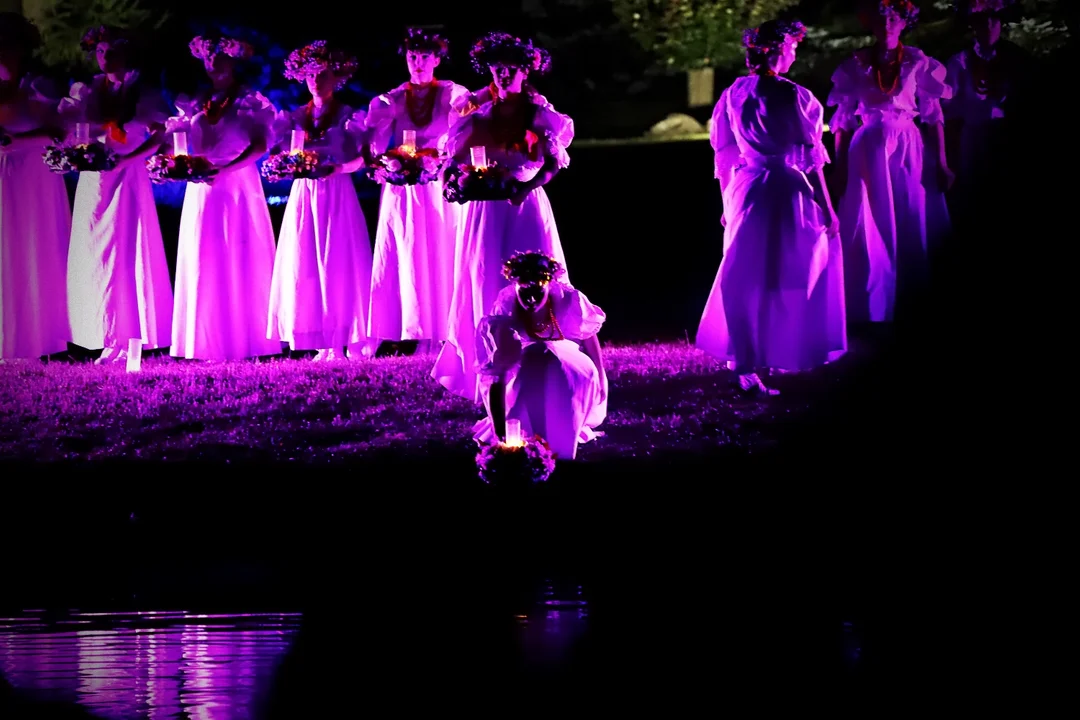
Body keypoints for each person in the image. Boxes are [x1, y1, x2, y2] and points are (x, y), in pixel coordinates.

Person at [696, 20, 846, 395]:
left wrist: (727, 200)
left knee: (747, 271)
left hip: (745, 188)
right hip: (781, 188)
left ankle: (750, 355)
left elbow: (725, 152)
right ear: (779, 49)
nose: (795, 54)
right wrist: (827, 207)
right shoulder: (793, 95)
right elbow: (811, 157)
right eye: (794, 47)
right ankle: (774, 348)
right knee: (791, 268)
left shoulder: (734, 92)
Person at [431, 32, 574, 403]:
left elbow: (553, 163)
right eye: (497, 69)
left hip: (525, 208)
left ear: (526, 71)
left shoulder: (539, 114)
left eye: (511, 69)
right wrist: (454, 186)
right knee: (485, 277)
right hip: (485, 214)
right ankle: (488, 365)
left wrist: (526, 187)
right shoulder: (476, 116)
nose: (504, 75)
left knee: (535, 282)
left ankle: (541, 363)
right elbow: (453, 163)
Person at [827, 0, 954, 325]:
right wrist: (840, 167)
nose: (887, 24)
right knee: (871, 219)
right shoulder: (855, 64)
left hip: (906, 148)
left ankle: (913, 299)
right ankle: (872, 302)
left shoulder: (917, 62)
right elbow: (842, 120)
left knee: (910, 213)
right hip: (868, 149)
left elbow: (932, 115)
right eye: (881, 18)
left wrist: (941, 162)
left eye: (894, 18)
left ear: (904, 23)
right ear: (871, 22)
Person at [60, 25, 173, 368]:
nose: (105, 58)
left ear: (126, 53)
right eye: (100, 52)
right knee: (97, 254)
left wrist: (129, 159)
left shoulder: (142, 90)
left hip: (129, 175)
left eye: (111, 51)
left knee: (128, 249)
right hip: (96, 178)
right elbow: (73, 128)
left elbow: (160, 135)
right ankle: (104, 337)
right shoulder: (88, 90)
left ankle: (131, 338)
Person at [167, 34, 281, 361]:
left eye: (220, 56)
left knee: (239, 255)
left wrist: (226, 170)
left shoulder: (249, 101)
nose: (213, 63)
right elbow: (177, 140)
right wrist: (175, 164)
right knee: (205, 257)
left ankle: (246, 340)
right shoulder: (196, 102)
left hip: (237, 184)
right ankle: (203, 342)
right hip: (201, 186)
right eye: (207, 57)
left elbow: (259, 146)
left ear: (233, 62)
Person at [363, 28, 469, 354]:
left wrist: (440, 164)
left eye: (425, 57)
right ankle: (414, 329)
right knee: (409, 257)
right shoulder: (392, 99)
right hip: (404, 189)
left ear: (437, 59)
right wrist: (388, 165)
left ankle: (444, 333)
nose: (418, 63)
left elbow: (462, 136)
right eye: (412, 57)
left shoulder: (452, 94)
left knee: (440, 252)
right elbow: (376, 145)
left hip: (437, 188)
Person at [268, 41, 372, 362]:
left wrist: (339, 168)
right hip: (304, 194)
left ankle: (341, 337)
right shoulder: (296, 115)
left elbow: (364, 159)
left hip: (337, 191)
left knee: (337, 262)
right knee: (307, 261)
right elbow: (281, 153)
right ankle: (319, 339)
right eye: (310, 74)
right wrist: (288, 165)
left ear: (335, 77)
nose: (316, 80)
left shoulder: (349, 115)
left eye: (322, 73)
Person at [475, 251, 606, 460]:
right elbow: (498, 375)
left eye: (538, 291)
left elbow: (590, 336)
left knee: (546, 355)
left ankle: (563, 433)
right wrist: (501, 433)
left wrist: (600, 375)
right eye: (525, 292)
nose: (532, 299)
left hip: (569, 367)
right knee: (537, 356)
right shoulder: (506, 311)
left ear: (549, 285)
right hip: (525, 371)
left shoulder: (568, 300)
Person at [0, 13, 70, 362]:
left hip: (33, 177)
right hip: (4, 176)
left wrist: (15, 140)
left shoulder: (37, 88)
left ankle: (37, 338)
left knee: (32, 248)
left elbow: (59, 133)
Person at [944, 0, 1031, 229]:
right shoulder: (959, 61)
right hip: (972, 137)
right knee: (973, 192)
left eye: (994, 19)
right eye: (982, 20)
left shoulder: (1017, 58)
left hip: (1010, 136)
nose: (989, 25)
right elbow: (949, 107)